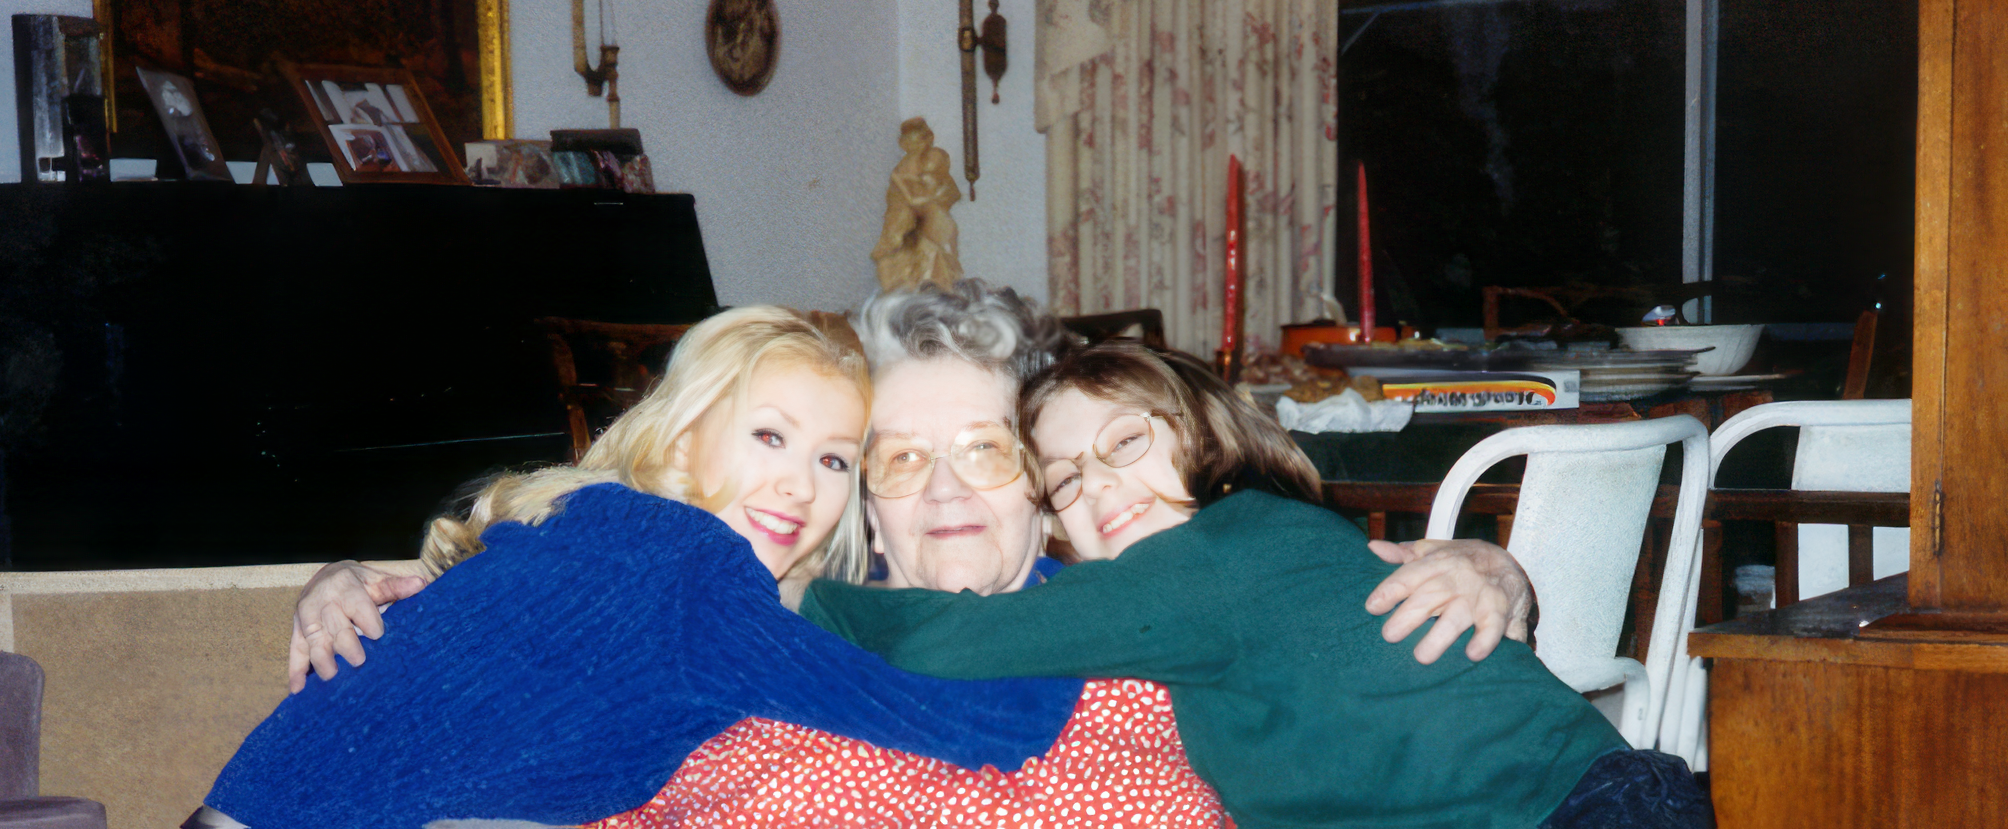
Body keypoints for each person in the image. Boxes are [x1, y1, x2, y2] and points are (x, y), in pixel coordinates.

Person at [285, 281, 1542, 826]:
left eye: (988, 451)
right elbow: (521, 660)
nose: (942, 487)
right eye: (892, 456)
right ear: (857, 494)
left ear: (1047, 490)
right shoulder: (759, 616)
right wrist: (389, 586)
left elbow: (1348, 608)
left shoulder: (1150, 599)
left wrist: (1494, 572)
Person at [196, 306, 1080, 829]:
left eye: (835, 460)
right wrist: (1076, 594)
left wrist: (343, 572)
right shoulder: (694, 576)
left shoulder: (581, 519)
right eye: (769, 435)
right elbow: (991, 728)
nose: (799, 485)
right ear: (687, 433)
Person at [801, 339, 1714, 829]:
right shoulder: (1195, 587)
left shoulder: (1207, 562)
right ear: (1052, 518)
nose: (1104, 486)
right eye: (1069, 478)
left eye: (1124, 444)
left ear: (1202, 436)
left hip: (1580, 810)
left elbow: (943, 641)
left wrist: (798, 590)